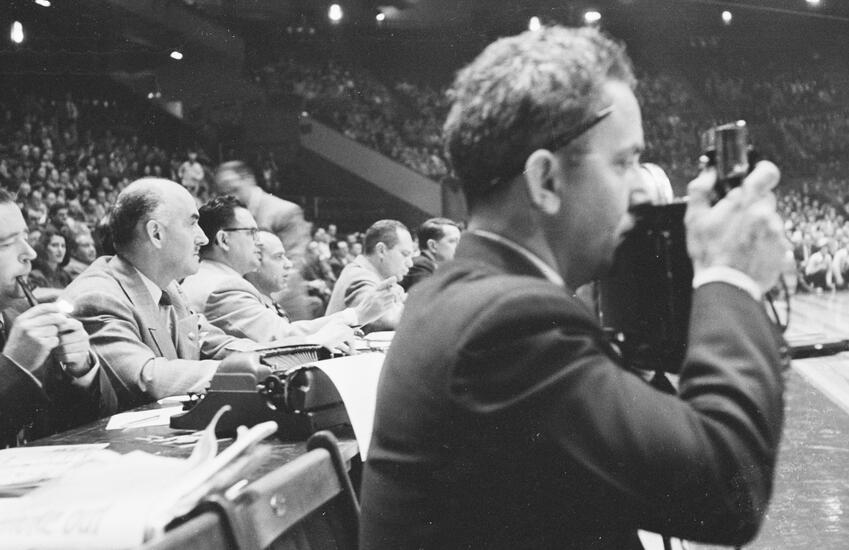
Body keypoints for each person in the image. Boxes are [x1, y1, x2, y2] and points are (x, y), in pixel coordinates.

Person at [360, 26, 788, 549]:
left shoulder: (459, 298)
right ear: (545, 180)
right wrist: (731, 276)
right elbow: (726, 489)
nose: (638, 191)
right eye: (624, 162)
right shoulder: (505, 328)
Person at [62, 178, 255, 411]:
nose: (204, 238)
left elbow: (212, 343)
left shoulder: (169, 286)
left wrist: (276, 357)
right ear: (156, 234)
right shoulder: (97, 296)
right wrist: (248, 372)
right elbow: (146, 378)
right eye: (192, 224)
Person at [0, 189, 115, 447]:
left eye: (25, 238)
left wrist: (82, 371)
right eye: (6, 244)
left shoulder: (23, 318)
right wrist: (14, 367)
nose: (30, 253)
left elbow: (89, 423)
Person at [203, 230, 400, 345]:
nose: (288, 264)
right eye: (279, 257)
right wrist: (355, 316)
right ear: (255, 261)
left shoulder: (266, 299)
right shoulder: (235, 296)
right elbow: (285, 339)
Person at [214, 160, 313, 320]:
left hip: (284, 304)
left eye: (234, 189)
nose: (228, 196)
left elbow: (293, 265)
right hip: (247, 303)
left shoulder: (285, 211)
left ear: (249, 179)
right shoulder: (229, 215)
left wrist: (259, 303)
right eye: (223, 192)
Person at [326, 219, 412, 332]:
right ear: (381, 251)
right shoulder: (359, 276)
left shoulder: (362, 271)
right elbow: (384, 318)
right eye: (405, 254)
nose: (410, 263)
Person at [400, 217, 461, 291]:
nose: (460, 246)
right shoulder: (421, 264)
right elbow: (428, 295)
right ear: (432, 246)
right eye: (453, 241)